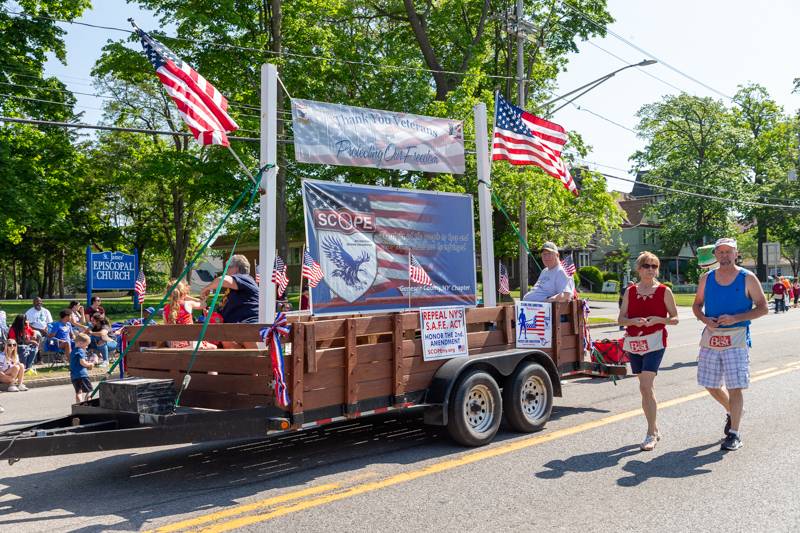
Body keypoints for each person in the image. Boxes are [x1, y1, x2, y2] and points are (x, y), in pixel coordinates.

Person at [692, 238, 768, 451]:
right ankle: (734, 411)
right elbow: (697, 305)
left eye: (729, 252)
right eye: (721, 252)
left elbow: (763, 308)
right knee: (710, 383)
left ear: (736, 254)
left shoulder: (748, 278)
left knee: (735, 386)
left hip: (736, 336)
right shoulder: (707, 278)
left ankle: (734, 433)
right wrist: (705, 319)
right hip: (712, 335)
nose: (724, 255)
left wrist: (736, 318)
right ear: (715, 255)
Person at [618, 252, 679, 451]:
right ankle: (654, 427)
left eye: (654, 266)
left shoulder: (664, 291)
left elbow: (675, 318)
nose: (650, 269)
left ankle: (650, 433)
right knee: (645, 389)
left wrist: (659, 319)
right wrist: (632, 321)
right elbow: (620, 320)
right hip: (635, 343)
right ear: (639, 269)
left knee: (646, 386)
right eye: (646, 266)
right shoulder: (630, 291)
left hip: (655, 342)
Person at [200, 254, 259, 323]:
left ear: (237, 268)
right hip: (233, 328)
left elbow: (221, 280)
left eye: (228, 267)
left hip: (247, 325)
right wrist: (212, 314)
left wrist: (206, 288)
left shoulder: (245, 278)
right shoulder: (233, 288)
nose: (226, 270)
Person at [164, 280, 216, 349]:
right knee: (214, 347)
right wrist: (189, 297)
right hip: (189, 342)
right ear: (184, 293)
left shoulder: (165, 309)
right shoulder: (188, 304)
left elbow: (165, 327)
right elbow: (204, 304)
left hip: (173, 345)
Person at [70, 333, 94, 403]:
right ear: (80, 343)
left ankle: (79, 404)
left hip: (74, 375)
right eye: (86, 345)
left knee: (78, 392)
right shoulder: (80, 350)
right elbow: (82, 362)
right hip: (82, 375)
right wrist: (90, 364)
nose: (86, 347)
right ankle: (88, 404)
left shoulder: (73, 351)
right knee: (90, 391)